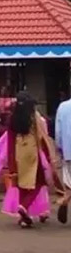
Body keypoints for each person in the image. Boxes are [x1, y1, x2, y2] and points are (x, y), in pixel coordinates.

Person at [4, 93, 60, 228]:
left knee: (22, 183)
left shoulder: (13, 118)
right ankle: (23, 207)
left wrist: (10, 159)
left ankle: (24, 217)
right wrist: (48, 155)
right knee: (39, 182)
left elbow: (10, 141)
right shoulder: (34, 118)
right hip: (32, 152)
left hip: (18, 152)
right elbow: (42, 137)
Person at [54, 94, 71, 225]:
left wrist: (60, 148)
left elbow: (58, 132)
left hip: (68, 151)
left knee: (69, 182)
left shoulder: (63, 107)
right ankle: (65, 199)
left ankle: (65, 199)